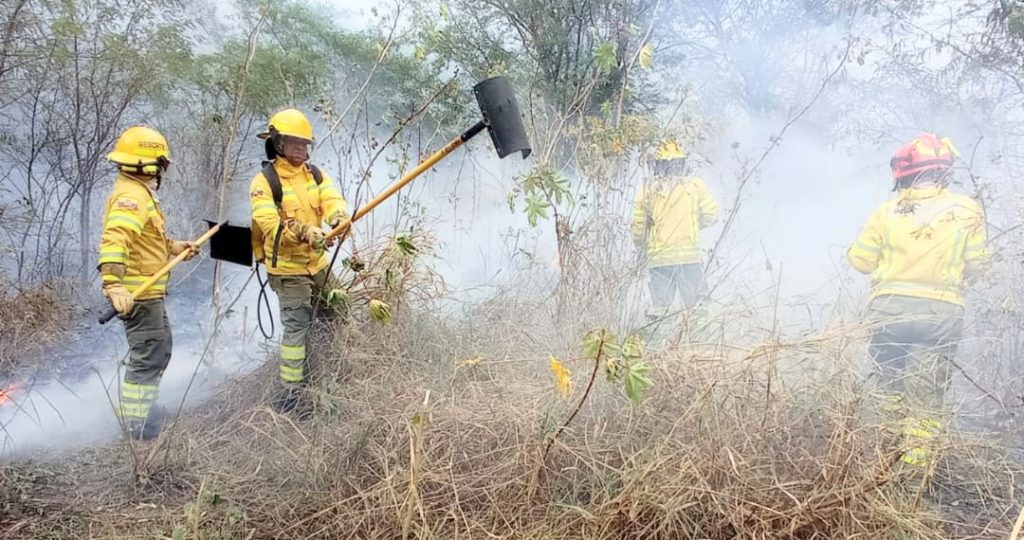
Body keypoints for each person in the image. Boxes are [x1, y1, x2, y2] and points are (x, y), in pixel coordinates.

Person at [847, 133, 987, 469]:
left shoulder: (887, 211)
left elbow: (860, 261)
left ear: (904, 173)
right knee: (927, 397)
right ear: (944, 172)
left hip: (889, 311)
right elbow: (979, 265)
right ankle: (916, 468)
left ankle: (886, 457)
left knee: (889, 387)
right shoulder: (967, 209)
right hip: (940, 314)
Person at [98, 126, 197, 441]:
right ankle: (137, 424)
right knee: (150, 354)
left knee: (159, 348)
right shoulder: (131, 197)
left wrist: (173, 246)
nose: (163, 169)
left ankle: (146, 410)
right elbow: (116, 240)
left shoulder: (137, 192)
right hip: (137, 295)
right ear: (148, 165)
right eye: (161, 162)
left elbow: (146, 238)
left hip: (148, 292)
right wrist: (114, 284)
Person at [249, 108, 348, 415]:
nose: (301, 150)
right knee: (296, 332)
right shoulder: (264, 182)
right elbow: (269, 225)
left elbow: (331, 199)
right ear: (277, 143)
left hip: (317, 265)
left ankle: (335, 371)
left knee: (341, 311)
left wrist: (339, 218)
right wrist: (305, 232)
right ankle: (291, 395)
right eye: (294, 143)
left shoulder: (315, 175)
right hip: (288, 272)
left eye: (305, 144)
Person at [631, 139, 719, 321]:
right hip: (689, 260)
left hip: (659, 261)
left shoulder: (647, 191)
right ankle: (697, 342)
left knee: (660, 312)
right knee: (698, 309)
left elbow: (638, 229)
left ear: (657, 165)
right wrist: (692, 224)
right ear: (681, 163)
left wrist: (641, 248)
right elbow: (712, 215)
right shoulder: (695, 186)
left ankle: (663, 345)